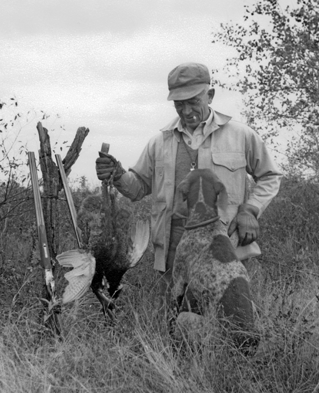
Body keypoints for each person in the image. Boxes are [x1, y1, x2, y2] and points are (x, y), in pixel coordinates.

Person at [96, 62, 282, 311]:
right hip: (173, 251)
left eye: (194, 100)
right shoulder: (159, 142)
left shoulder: (241, 135)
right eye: (179, 104)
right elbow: (137, 187)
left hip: (225, 247)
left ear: (210, 95)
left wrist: (251, 210)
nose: (187, 110)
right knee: (176, 323)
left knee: (226, 321)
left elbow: (270, 176)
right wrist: (117, 174)